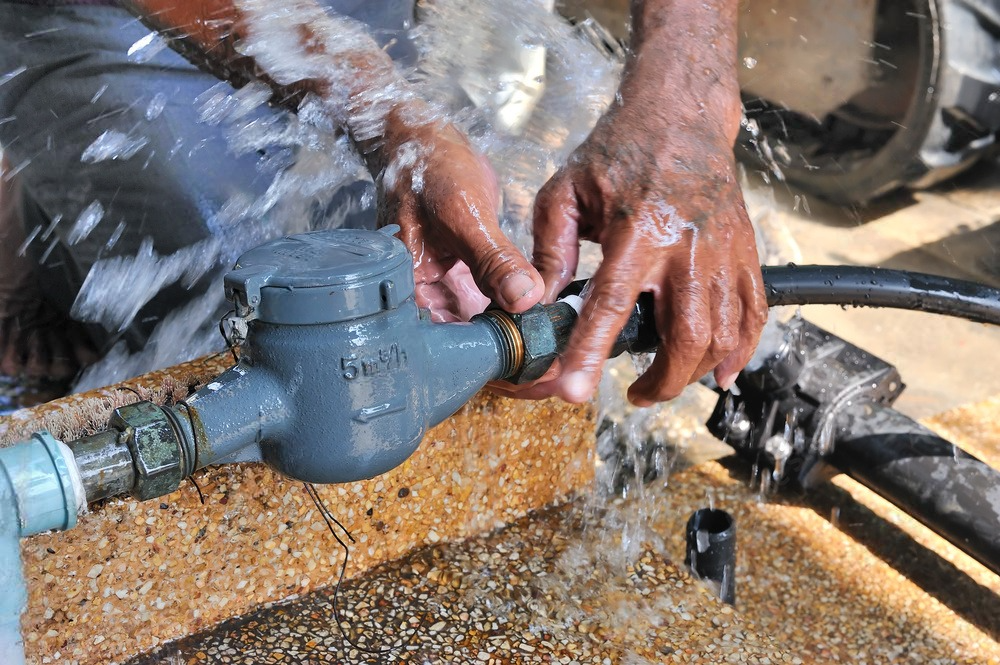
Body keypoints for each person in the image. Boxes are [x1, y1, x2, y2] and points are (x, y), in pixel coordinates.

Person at [0, 0, 766, 406]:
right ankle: (41, 227)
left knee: (386, 280)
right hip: (122, 11)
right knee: (242, 311)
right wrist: (382, 111)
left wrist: (688, 110)